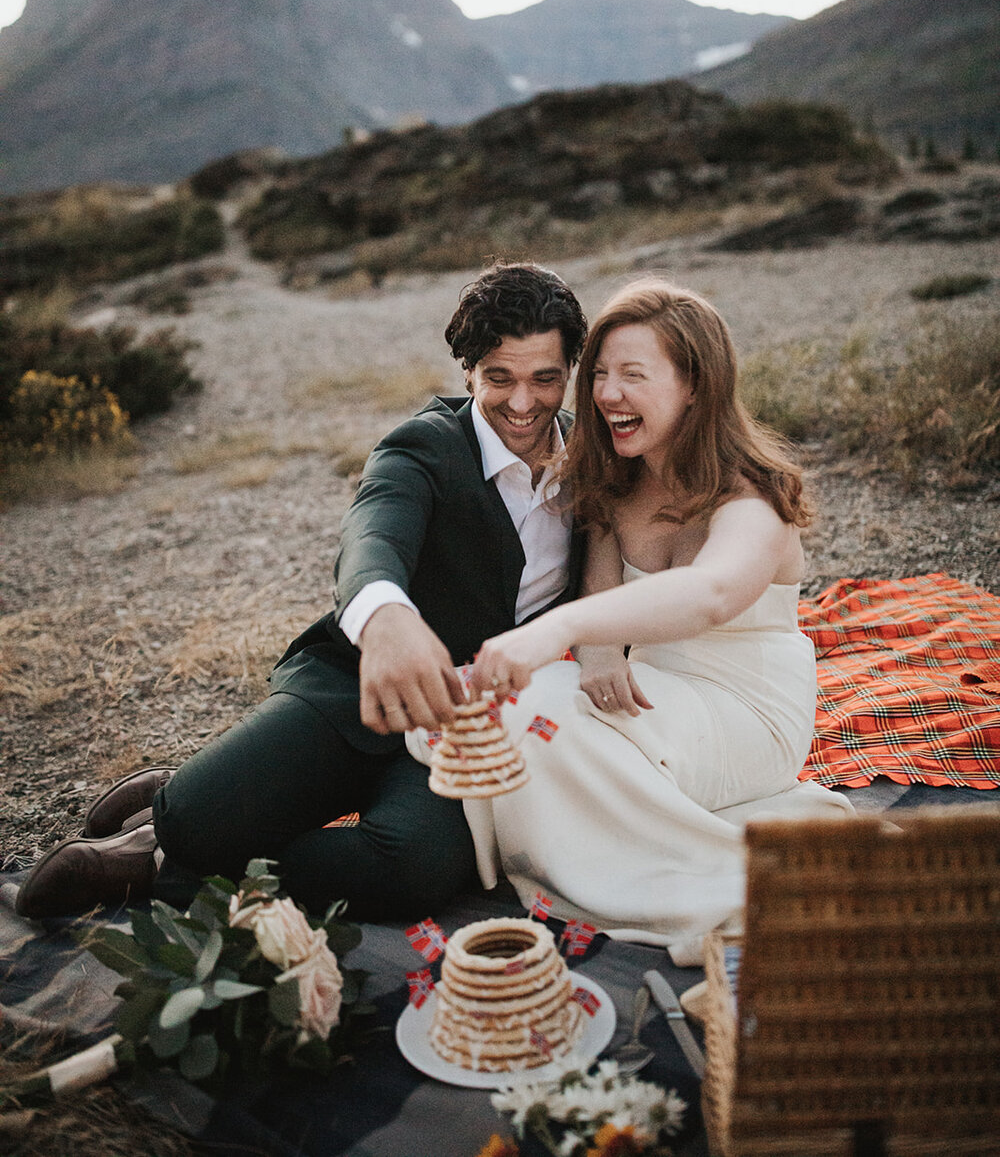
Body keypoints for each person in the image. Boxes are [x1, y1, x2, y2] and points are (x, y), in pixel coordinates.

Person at [15, 262, 588, 922]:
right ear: (468, 371)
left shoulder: (590, 461)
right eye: (499, 378)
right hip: (352, 689)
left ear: (570, 370)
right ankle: (175, 808)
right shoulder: (422, 447)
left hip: (468, 727)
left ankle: (158, 867)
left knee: (414, 869)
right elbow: (371, 540)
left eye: (544, 378)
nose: (523, 403)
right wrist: (386, 620)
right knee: (198, 819)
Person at [460, 278, 853, 965]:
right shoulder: (621, 480)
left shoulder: (752, 497)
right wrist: (601, 651)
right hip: (653, 690)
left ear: (695, 385)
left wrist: (558, 632)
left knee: (542, 708)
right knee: (523, 707)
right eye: (602, 373)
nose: (607, 393)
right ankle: (582, 837)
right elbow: (603, 584)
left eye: (633, 375)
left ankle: (702, 882)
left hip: (748, 709)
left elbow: (709, 593)